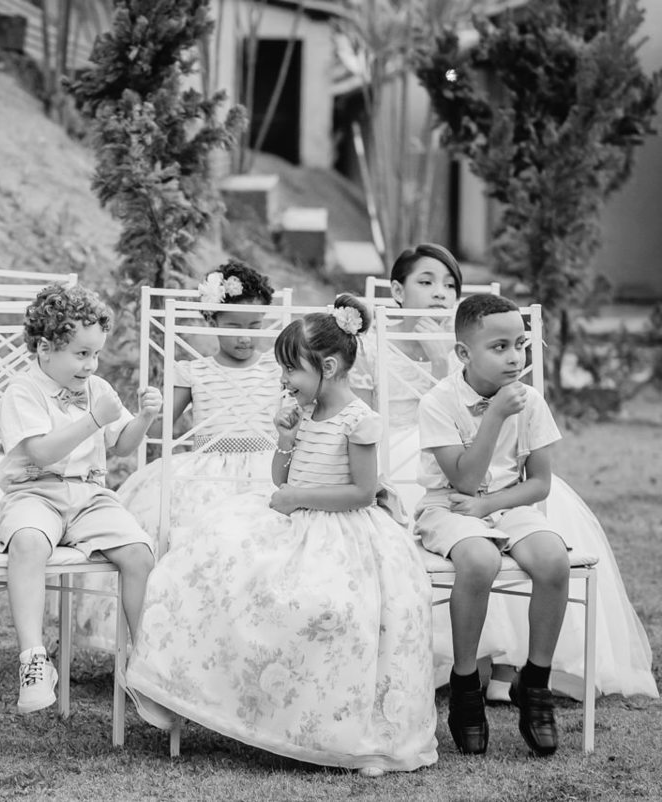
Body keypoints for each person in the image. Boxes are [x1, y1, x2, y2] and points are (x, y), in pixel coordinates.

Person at [125, 295, 437, 776]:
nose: (283, 382)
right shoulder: (305, 413)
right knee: (209, 561)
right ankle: (190, 690)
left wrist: (299, 499)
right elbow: (279, 478)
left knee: (323, 605)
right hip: (294, 519)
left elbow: (361, 491)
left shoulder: (359, 421)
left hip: (343, 533)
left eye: (291, 371)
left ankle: (325, 724)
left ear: (327, 367)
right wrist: (286, 441)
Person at [351, 243, 656, 703]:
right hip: (426, 457)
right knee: (478, 554)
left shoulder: (503, 375)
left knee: (547, 544)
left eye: (450, 284)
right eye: (426, 282)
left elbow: (537, 478)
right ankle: (465, 670)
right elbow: (381, 415)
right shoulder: (382, 345)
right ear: (397, 289)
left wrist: (446, 358)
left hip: (498, 479)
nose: (440, 292)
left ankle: (522, 671)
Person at [74, 261, 284, 651]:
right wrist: (150, 409)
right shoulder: (194, 371)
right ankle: (181, 637)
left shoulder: (278, 368)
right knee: (181, 536)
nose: (245, 338)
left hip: (266, 469)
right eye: (233, 327)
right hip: (206, 470)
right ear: (211, 319)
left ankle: (255, 638)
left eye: (255, 327)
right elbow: (159, 431)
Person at [416, 293, 571, 757]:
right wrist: (497, 414)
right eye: (499, 347)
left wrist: (492, 506)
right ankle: (466, 685)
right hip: (449, 506)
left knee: (552, 561)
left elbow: (540, 483)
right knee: (480, 561)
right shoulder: (439, 402)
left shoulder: (532, 402)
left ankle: (535, 684)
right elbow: (462, 478)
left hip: (506, 504)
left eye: (519, 344)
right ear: (464, 353)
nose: (514, 357)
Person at [0, 283, 160, 714]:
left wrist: (143, 417)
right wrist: (91, 420)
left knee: (139, 553)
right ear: (46, 348)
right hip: (36, 492)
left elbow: (122, 445)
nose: (91, 365)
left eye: (95, 354)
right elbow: (42, 452)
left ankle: (144, 665)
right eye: (81, 354)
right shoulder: (23, 390)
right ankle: (33, 658)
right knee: (28, 543)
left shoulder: (97, 387)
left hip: (89, 495)